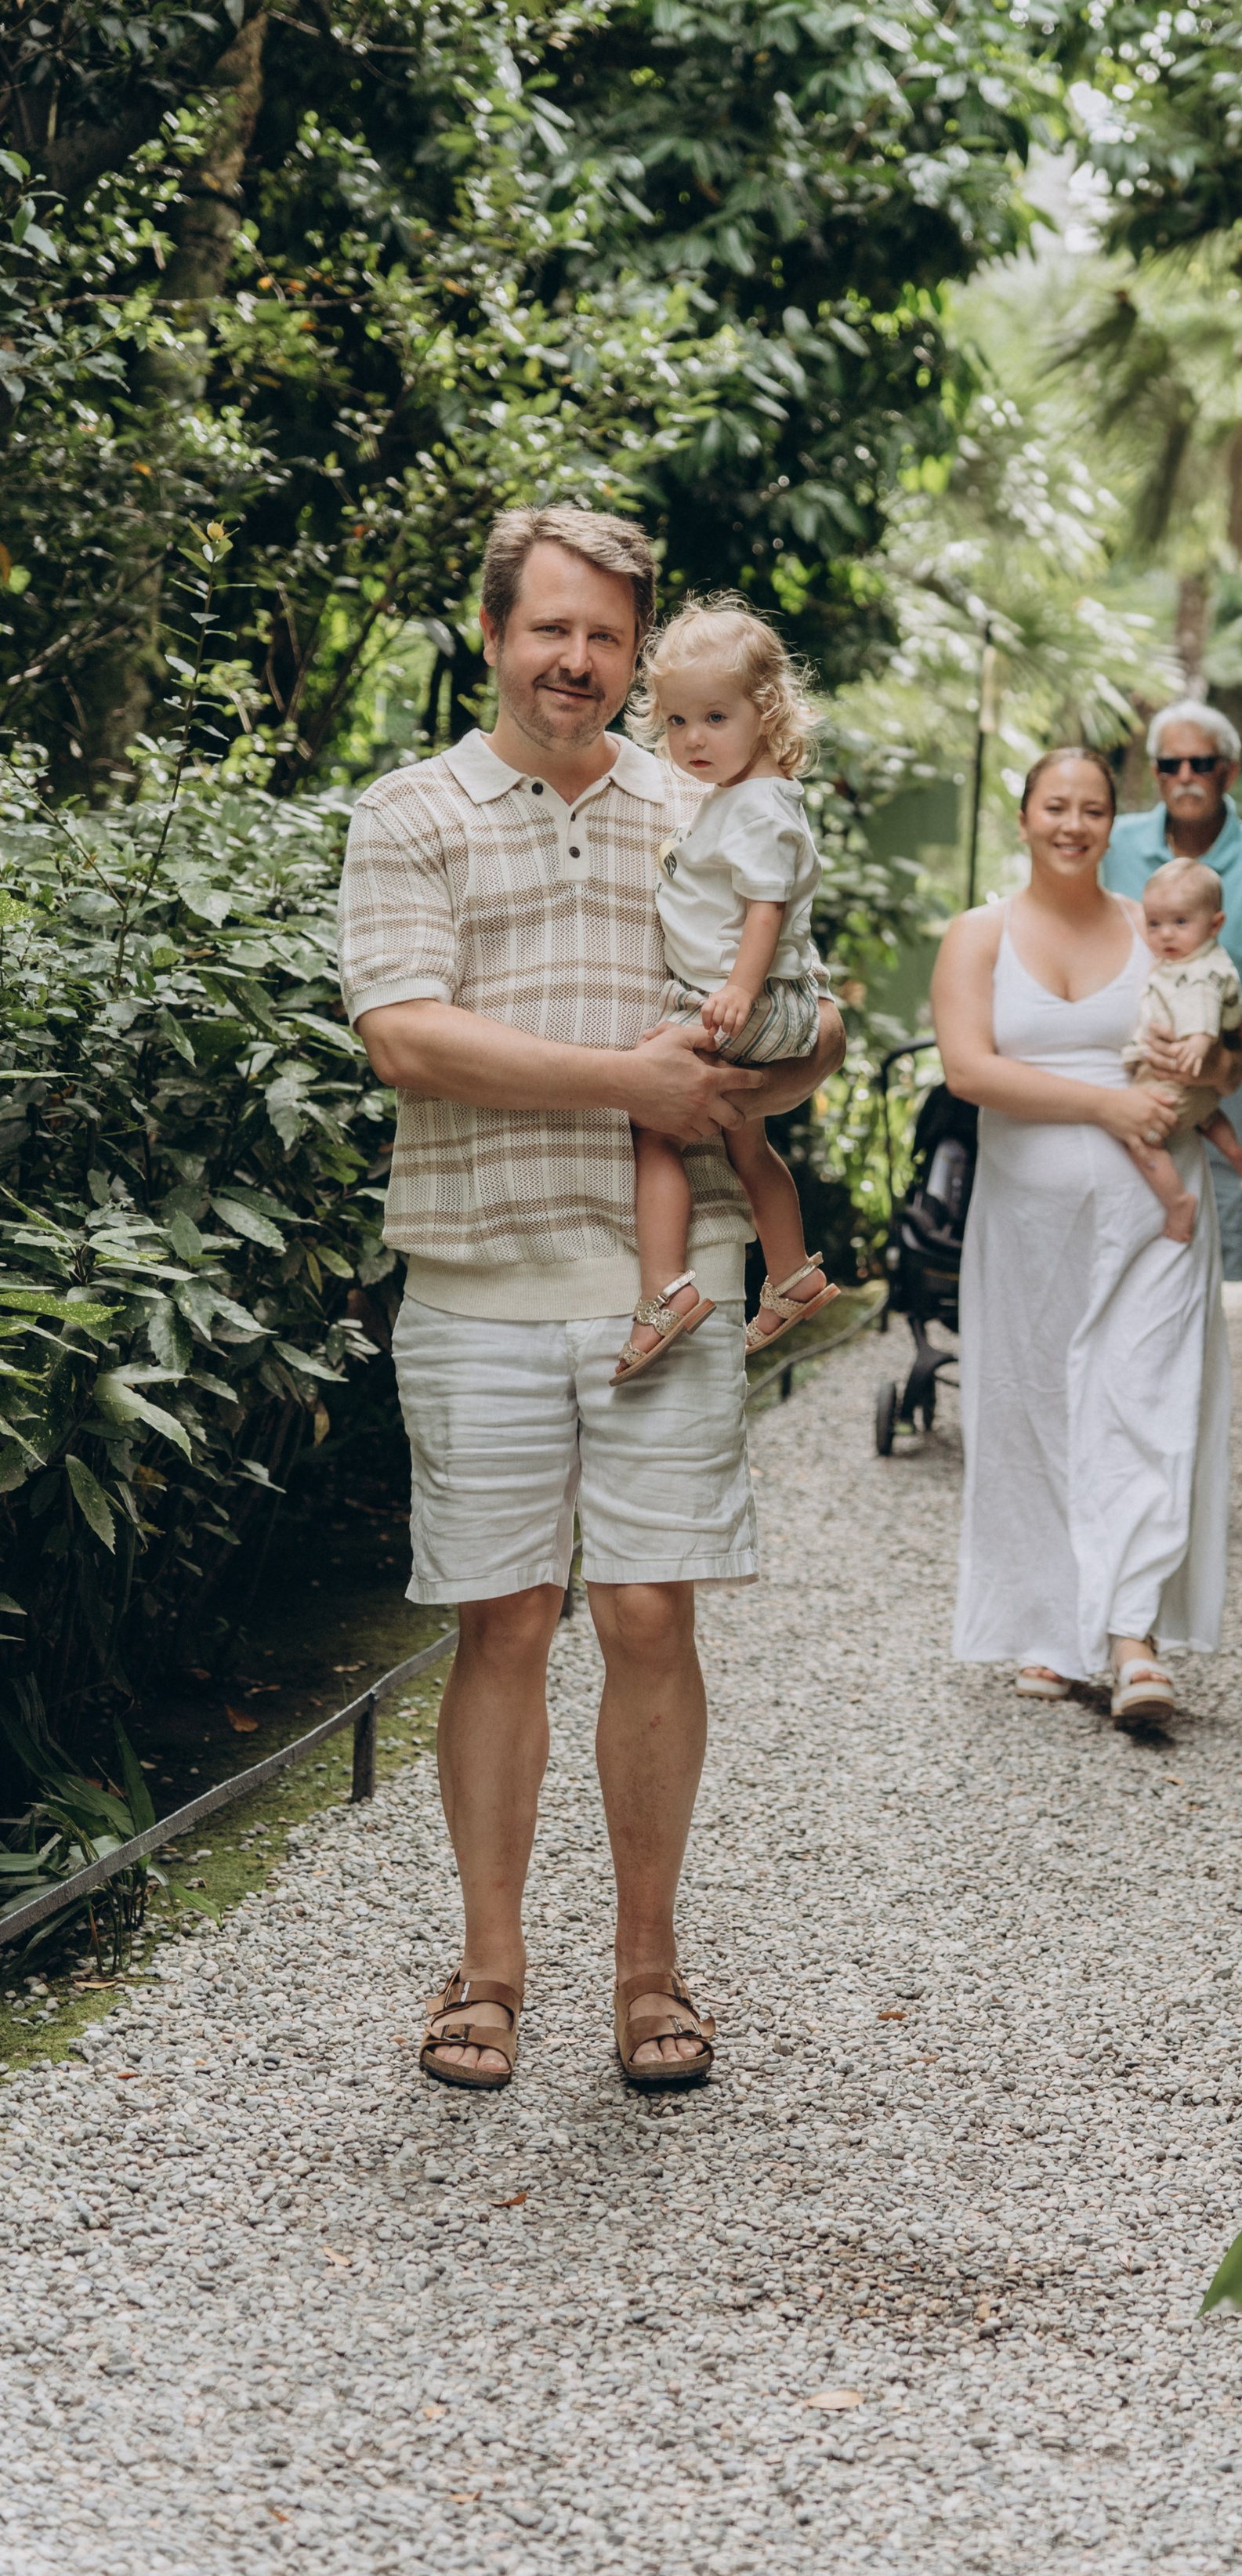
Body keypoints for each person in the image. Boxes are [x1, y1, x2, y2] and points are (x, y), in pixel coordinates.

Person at [337, 506, 845, 2094]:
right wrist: (627, 1080)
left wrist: (790, 1055)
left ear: (636, 663)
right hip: (477, 1278)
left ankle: (648, 1970)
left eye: (604, 639)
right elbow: (408, 1038)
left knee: (644, 1613)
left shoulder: (693, 803)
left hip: (665, 1277)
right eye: (548, 629)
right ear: (492, 635)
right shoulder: (409, 813)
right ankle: (486, 1973)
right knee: (497, 1625)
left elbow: (809, 1020)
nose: (575, 660)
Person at [932, 748, 1235, 1730]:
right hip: (1025, 1224)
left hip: (1155, 1215)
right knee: (1030, 1407)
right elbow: (970, 1072)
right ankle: (1051, 1627)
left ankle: (1131, 1635)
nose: (1073, 824)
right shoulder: (979, 935)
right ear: (1023, 817)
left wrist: (1209, 1060)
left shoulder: (1156, 927)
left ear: (1115, 822)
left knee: (1140, 1401)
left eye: (1093, 809)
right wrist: (1107, 1107)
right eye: (1055, 807)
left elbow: (1225, 1062)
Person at [615, 596, 841, 1382]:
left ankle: (665, 1291)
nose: (692, 739)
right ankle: (791, 1273)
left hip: (739, 999)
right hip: (760, 1000)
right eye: (677, 723)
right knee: (748, 1140)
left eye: (714, 717)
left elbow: (766, 907)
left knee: (653, 1121)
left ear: (766, 710)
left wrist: (739, 991)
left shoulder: (755, 808)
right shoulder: (753, 799)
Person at [1103, 701, 1242, 1281]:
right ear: (1156, 773)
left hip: (1226, 1084)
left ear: (1230, 771)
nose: (1186, 776)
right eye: (1171, 764)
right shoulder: (1113, 845)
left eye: (1202, 762)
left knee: (1217, 1256)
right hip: (1123, 1073)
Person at [1119, 858, 1242, 1245]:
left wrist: (1198, 1042)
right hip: (1198, 1091)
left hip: (1179, 1075)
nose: (1166, 935)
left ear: (1215, 925)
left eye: (1180, 923)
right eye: (1155, 923)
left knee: (1139, 1135)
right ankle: (1234, 1150)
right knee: (1207, 1114)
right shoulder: (1194, 957)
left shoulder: (1198, 971)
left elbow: (1204, 1008)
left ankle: (1178, 1201)